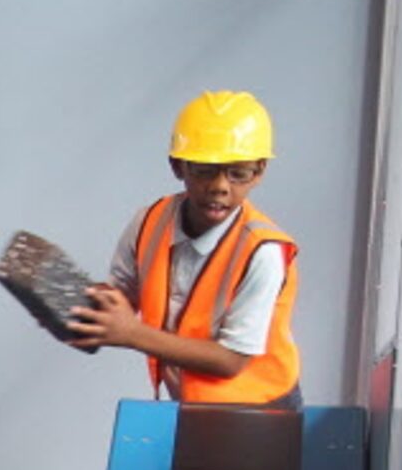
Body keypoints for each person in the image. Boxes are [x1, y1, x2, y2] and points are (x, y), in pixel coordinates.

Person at [66, 90, 301, 407]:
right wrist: (74, 309)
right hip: (191, 403)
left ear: (258, 172)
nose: (219, 185)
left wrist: (132, 334)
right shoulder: (150, 221)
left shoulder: (263, 252)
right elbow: (121, 296)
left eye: (238, 173)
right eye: (204, 169)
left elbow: (231, 360)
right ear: (178, 166)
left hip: (259, 412)